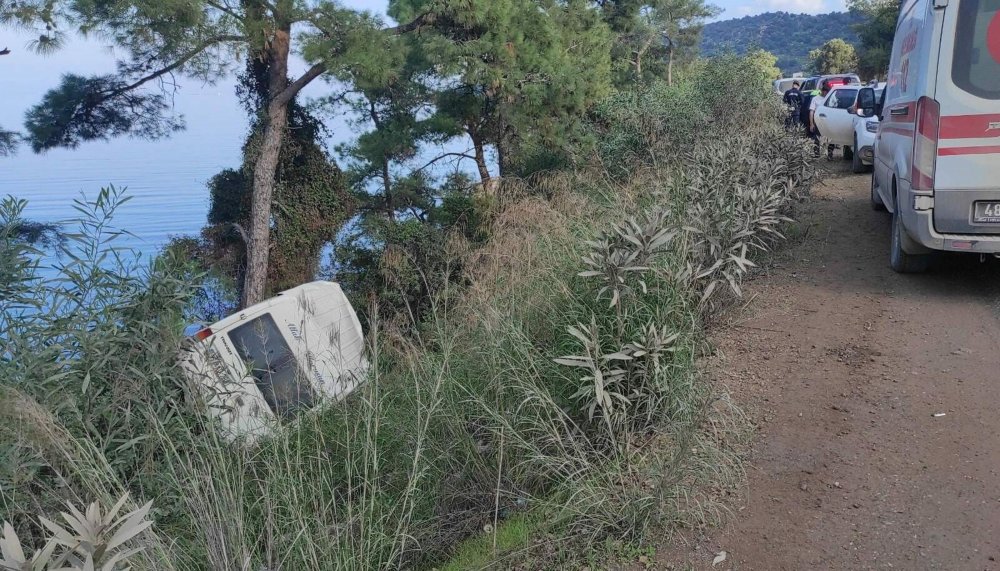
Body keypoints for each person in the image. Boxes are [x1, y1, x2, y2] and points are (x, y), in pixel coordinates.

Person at [808, 80, 835, 159]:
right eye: (825, 92)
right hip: (818, 122)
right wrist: (811, 123)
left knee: (830, 139)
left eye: (827, 92)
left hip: (829, 122)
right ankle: (816, 154)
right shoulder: (815, 99)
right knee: (816, 139)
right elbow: (811, 112)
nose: (825, 94)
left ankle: (830, 154)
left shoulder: (831, 99)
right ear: (822, 91)